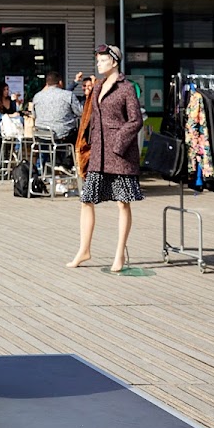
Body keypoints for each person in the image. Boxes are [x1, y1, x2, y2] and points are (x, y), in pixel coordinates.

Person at [68, 45, 145, 273]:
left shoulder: (126, 88)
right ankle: (84, 249)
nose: (99, 64)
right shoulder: (98, 86)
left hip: (120, 154)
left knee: (123, 202)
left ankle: (120, 253)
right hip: (98, 154)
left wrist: (119, 143)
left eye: (103, 60)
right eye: (98, 60)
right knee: (87, 200)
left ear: (114, 62)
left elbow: (136, 120)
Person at [32, 72, 84, 144]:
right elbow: (81, 112)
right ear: (60, 82)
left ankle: (45, 155)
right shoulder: (68, 95)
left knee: (46, 144)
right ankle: (71, 155)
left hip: (42, 134)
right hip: (62, 134)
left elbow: (34, 115)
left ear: (47, 84)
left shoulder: (37, 96)